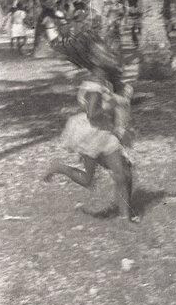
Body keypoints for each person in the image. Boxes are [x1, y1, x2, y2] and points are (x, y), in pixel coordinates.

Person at [43, 27, 139, 223]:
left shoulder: (105, 81)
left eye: (111, 53)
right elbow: (93, 113)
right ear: (96, 60)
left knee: (122, 173)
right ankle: (58, 167)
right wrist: (113, 101)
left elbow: (114, 104)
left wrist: (122, 100)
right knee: (88, 180)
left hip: (106, 133)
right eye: (107, 54)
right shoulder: (95, 84)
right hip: (91, 133)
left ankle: (125, 217)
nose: (112, 57)